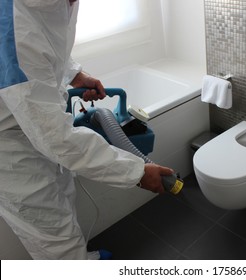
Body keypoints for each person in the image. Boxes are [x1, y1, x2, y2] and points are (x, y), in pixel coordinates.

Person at [0, 0, 174, 259]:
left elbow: (49, 42)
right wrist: (136, 172)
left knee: (65, 201)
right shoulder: (13, 24)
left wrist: (74, 74)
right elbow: (56, 137)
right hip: (11, 148)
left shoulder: (54, 4)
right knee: (55, 236)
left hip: (38, 121)